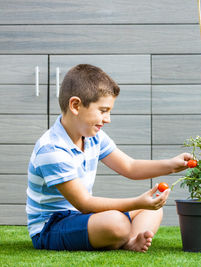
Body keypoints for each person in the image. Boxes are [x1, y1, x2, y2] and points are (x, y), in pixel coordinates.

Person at [26, 64, 192, 252]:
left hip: (83, 218)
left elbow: (129, 166)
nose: (108, 119)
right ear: (75, 105)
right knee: (116, 222)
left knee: (152, 209)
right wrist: (137, 201)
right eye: (103, 110)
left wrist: (171, 165)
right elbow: (85, 203)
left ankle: (128, 241)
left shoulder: (93, 137)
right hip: (51, 227)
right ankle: (122, 235)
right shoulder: (52, 148)